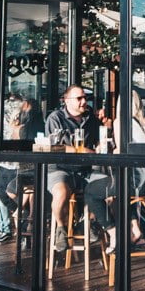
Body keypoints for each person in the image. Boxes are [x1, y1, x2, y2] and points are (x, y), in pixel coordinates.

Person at [45, 85, 101, 255]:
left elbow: (99, 142)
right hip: (60, 168)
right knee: (61, 192)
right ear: (67, 101)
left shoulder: (91, 119)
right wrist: (84, 150)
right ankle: (61, 229)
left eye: (85, 98)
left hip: (86, 169)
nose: (84, 101)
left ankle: (87, 222)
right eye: (79, 98)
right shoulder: (55, 118)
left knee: (107, 188)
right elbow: (55, 147)